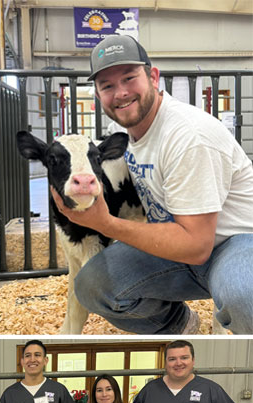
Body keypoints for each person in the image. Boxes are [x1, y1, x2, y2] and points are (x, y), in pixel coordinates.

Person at [53, 35, 253, 334]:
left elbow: (197, 246)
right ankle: (180, 325)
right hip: (177, 243)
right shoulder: (123, 132)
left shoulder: (188, 136)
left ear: (153, 77)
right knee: (93, 285)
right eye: (107, 86)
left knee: (243, 297)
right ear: (97, 95)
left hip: (235, 242)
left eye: (129, 78)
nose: (120, 93)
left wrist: (105, 223)